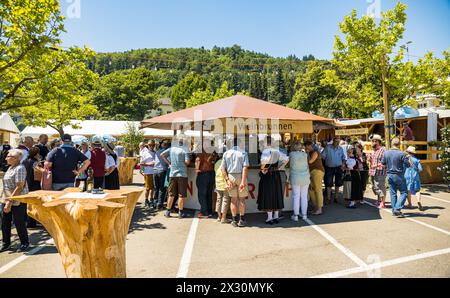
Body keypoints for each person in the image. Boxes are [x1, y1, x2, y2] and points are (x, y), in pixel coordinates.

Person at [1, 149, 29, 252]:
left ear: (16, 159)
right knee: (5, 222)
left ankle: (24, 243)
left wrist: (9, 202)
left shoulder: (20, 168)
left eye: (8, 156)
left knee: (18, 222)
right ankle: (6, 243)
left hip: (17, 199)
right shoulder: (10, 168)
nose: (6, 158)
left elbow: (19, 187)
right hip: (7, 197)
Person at [257, 137, 288, 224]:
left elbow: (263, 165)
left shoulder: (266, 151)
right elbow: (286, 160)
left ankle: (270, 218)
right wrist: (278, 167)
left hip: (268, 176)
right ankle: (276, 216)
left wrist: (264, 170)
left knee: (268, 195)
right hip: (276, 174)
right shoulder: (277, 151)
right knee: (276, 194)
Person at [221, 137, 250, 228]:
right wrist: (242, 181)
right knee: (241, 199)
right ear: (240, 144)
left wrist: (227, 180)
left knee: (233, 200)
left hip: (230, 176)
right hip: (240, 175)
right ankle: (241, 220)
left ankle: (234, 220)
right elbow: (245, 167)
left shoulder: (226, 153)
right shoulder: (243, 153)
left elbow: (222, 168)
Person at [161, 138, 191, 219]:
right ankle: (180, 213)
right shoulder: (185, 150)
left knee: (171, 194)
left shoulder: (171, 149)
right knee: (181, 195)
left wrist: (170, 163)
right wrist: (183, 162)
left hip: (172, 174)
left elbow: (162, 155)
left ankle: (168, 212)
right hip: (182, 174)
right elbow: (187, 162)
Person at [381, 137, 411, 217]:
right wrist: (408, 158)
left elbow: (382, 164)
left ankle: (394, 210)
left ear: (392, 143)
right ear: (399, 144)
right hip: (399, 175)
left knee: (393, 193)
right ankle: (397, 209)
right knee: (404, 192)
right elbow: (408, 165)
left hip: (390, 175)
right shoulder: (402, 153)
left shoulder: (386, 153)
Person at [287, 141, 310, 222]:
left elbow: (288, 164)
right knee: (304, 197)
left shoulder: (291, 154)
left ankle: (295, 215)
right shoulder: (305, 154)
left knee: (296, 196)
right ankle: (304, 215)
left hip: (295, 177)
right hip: (305, 177)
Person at [195, 141, 217, 218]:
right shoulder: (213, 152)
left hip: (203, 174)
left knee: (202, 194)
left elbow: (198, 163)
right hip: (211, 174)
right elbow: (214, 161)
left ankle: (204, 212)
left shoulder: (201, 152)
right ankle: (209, 211)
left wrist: (197, 169)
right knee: (209, 194)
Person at [321, 136, 346, 204]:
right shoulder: (328, 147)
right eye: (336, 141)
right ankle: (328, 199)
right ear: (333, 141)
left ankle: (336, 197)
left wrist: (343, 163)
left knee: (338, 183)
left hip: (338, 167)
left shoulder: (340, 149)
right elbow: (322, 157)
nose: (337, 143)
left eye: (338, 142)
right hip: (329, 167)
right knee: (329, 183)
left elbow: (343, 158)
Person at [23, 147, 43, 228]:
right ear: (35, 154)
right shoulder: (35, 163)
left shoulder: (24, 161)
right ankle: (32, 222)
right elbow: (40, 172)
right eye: (38, 153)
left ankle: (27, 221)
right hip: (34, 184)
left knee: (27, 203)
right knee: (34, 204)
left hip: (26, 183)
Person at [304, 140, 325, 215]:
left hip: (317, 171)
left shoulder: (315, 152)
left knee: (318, 189)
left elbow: (310, 162)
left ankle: (319, 208)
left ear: (310, 146)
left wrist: (306, 154)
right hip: (312, 172)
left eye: (306, 146)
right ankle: (315, 207)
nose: (306, 148)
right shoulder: (310, 152)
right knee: (311, 190)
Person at [368, 134, 387, 209]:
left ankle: (383, 202)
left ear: (379, 142)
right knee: (374, 187)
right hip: (373, 171)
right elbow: (372, 161)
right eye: (372, 141)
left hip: (380, 171)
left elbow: (384, 162)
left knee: (381, 187)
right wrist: (369, 159)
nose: (373, 142)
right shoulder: (374, 151)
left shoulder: (383, 150)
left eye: (375, 141)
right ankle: (379, 200)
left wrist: (375, 165)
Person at [404, 146, 424, 211]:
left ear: (408, 152)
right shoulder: (417, 160)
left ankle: (410, 204)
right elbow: (420, 169)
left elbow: (403, 168)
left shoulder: (405, 159)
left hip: (407, 176)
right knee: (417, 190)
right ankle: (418, 201)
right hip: (415, 176)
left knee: (408, 190)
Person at [153, 140, 170, 210]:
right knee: (161, 188)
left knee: (156, 188)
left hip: (155, 170)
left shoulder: (157, 151)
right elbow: (168, 162)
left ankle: (155, 203)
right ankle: (159, 204)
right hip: (162, 170)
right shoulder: (166, 152)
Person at [140, 140, 156, 208]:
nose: (151, 146)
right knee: (147, 188)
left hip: (154, 172)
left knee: (153, 188)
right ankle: (146, 200)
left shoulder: (155, 153)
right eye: (150, 145)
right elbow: (141, 163)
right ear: (148, 145)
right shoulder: (145, 153)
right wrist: (149, 164)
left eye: (153, 145)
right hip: (148, 172)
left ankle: (151, 199)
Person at [214, 155, 230, 224]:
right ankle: (223, 218)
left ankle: (219, 217)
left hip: (218, 183)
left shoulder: (217, 162)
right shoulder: (226, 162)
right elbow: (225, 172)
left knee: (219, 200)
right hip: (225, 183)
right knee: (225, 200)